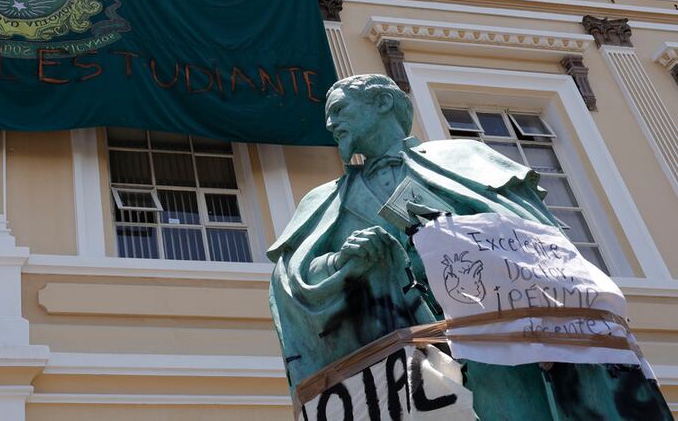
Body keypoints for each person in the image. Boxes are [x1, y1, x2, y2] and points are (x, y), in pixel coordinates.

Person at [268, 74, 668, 419]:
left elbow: (540, 243)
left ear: (382, 102)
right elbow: (292, 280)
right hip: (399, 362)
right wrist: (346, 261)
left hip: (500, 348)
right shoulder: (324, 201)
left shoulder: (466, 158)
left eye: (339, 109)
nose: (329, 122)